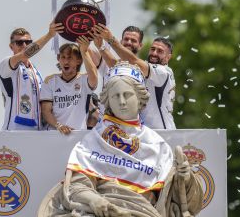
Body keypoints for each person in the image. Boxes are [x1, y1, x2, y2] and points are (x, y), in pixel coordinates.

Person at [38, 62, 203, 217]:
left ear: (140, 98)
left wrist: (185, 178)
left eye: (127, 95)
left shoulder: (157, 144)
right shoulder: (95, 138)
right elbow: (77, 186)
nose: (122, 101)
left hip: (143, 212)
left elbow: (180, 201)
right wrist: (94, 200)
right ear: (107, 100)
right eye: (115, 96)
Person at [90, 24, 176, 130]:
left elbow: (133, 61)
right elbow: (115, 64)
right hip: (145, 132)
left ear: (168, 57)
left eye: (160, 51)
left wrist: (110, 39)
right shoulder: (146, 68)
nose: (154, 53)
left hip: (162, 132)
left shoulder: (164, 72)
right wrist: (100, 46)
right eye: (152, 49)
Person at [0, 21, 64, 130]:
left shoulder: (36, 72)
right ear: (11, 46)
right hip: (15, 131)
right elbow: (25, 54)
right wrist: (50, 35)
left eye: (28, 42)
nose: (24, 45)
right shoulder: (6, 65)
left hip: (37, 132)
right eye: (19, 43)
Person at [40, 36, 98, 135]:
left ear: (79, 61)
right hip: (53, 135)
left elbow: (94, 78)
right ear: (59, 59)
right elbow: (46, 111)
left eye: (70, 58)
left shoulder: (84, 80)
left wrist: (84, 51)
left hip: (78, 136)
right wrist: (59, 126)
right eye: (63, 57)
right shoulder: (50, 81)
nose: (66, 62)